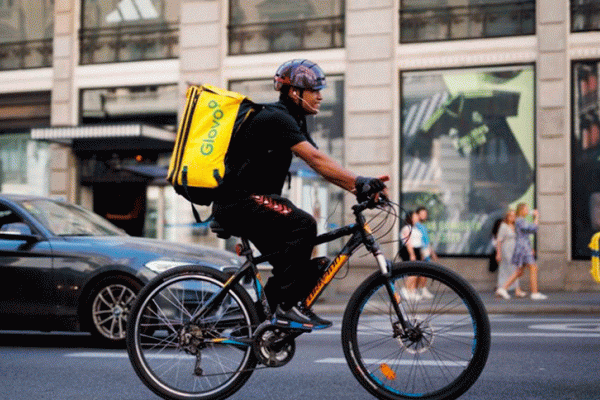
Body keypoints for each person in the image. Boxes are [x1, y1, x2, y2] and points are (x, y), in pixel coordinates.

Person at [212, 59, 389, 329]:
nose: (320, 95)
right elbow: (316, 159)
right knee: (304, 225)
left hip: (252, 202)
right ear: (295, 92)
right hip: (240, 201)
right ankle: (285, 308)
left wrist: (360, 187)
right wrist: (360, 181)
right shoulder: (277, 117)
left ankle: (260, 328)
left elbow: (323, 168)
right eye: (314, 90)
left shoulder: (293, 120)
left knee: (298, 270)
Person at [495, 203, 547, 300]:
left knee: (519, 271)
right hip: (523, 248)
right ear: (521, 210)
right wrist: (536, 217)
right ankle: (534, 293)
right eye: (526, 209)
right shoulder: (519, 220)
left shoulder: (520, 220)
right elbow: (532, 229)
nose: (528, 211)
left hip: (523, 247)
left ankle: (503, 288)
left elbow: (529, 231)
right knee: (533, 267)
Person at [494, 209, 526, 299]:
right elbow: (499, 240)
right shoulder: (504, 226)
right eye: (511, 216)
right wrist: (498, 253)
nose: (513, 217)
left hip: (514, 250)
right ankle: (504, 289)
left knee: (512, 270)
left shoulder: (515, 226)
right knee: (513, 269)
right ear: (507, 217)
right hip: (506, 250)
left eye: (514, 216)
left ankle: (515, 290)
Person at [399, 211, 423, 300]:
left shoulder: (416, 228)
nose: (417, 217)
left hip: (417, 250)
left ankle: (411, 292)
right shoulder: (407, 228)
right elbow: (408, 242)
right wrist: (412, 254)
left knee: (416, 273)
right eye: (415, 216)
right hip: (410, 251)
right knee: (412, 273)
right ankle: (405, 289)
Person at [415, 206, 436, 299]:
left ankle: (422, 289)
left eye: (425, 214)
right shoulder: (416, 226)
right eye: (422, 213)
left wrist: (432, 252)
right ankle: (419, 289)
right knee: (421, 272)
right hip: (421, 250)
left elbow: (427, 241)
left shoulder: (423, 226)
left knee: (424, 272)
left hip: (426, 250)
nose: (424, 215)